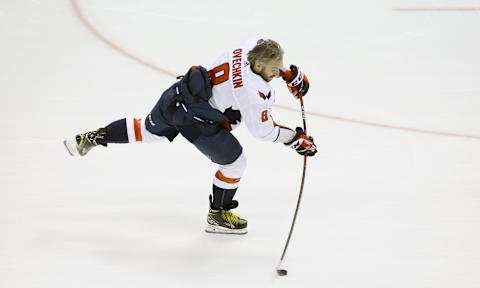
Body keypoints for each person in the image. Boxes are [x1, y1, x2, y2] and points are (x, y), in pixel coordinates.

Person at [64, 38, 317, 235]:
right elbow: (264, 132)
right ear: (260, 66)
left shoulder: (247, 49)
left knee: (146, 131)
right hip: (199, 122)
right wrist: (294, 139)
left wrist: (286, 74)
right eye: (273, 70)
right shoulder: (255, 91)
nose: (276, 74)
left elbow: (263, 45)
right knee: (235, 163)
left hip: (177, 96)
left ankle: (92, 137)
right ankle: (217, 216)